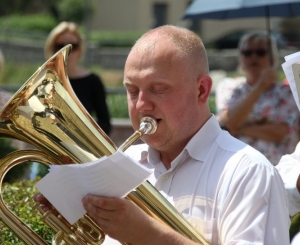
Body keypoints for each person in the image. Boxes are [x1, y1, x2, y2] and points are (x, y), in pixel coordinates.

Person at [35, 25, 290, 244]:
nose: (142, 105)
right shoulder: (126, 160)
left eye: (158, 89)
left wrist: (147, 234)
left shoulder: (248, 172)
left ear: (201, 91)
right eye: (132, 91)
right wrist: (74, 217)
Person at [215, 31, 299, 165]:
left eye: (260, 52)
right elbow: (230, 122)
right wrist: (260, 86)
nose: (253, 57)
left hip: (278, 169)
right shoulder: (229, 87)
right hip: (238, 167)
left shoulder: (286, 92)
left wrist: (241, 129)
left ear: (272, 58)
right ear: (240, 58)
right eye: (247, 53)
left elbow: (282, 132)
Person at [44, 21, 111, 135]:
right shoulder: (43, 80)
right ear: (52, 48)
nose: (66, 51)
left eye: (72, 46)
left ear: (80, 49)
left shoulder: (93, 81)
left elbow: (105, 124)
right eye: (60, 46)